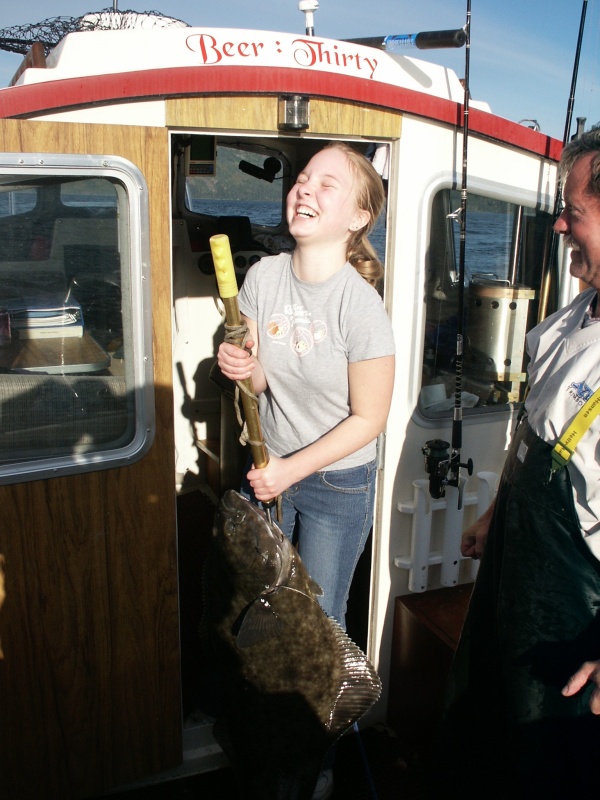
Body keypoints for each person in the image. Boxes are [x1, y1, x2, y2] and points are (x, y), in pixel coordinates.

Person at [431, 124, 600, 799]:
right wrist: (495, 514)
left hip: (572, 632)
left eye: (574, 211)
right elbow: (534, 434)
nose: (558, 224)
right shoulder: (571, 320)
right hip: (511, 585)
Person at [217, 141, 395, 631]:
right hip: (269, 464)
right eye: (301, 180)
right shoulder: (262, 276)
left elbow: (370, 419)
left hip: (337, 483)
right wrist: (239, 364)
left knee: (318, 621)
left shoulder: (360, 306)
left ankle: (330, 689)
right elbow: (259, 379)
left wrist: (289, 470)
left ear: (358, 218)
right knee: (258, 602)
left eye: (325, 184)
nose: (305, 189)